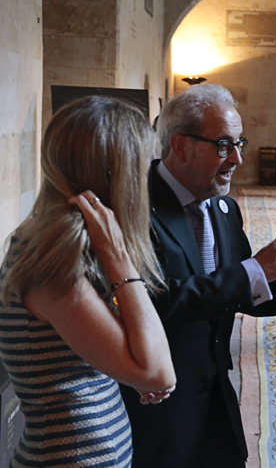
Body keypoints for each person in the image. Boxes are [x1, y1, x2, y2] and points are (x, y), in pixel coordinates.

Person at [120, 84, 276, 468]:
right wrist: (256, 269)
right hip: (156, 406)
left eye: (240, 143)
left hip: (217, 402)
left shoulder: (224, 209)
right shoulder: (134, 206)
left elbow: (243, 294)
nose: (238, 158)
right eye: (224, 145)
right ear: (181, 145)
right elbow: (151, 302)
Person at [0, 96, 176, 467]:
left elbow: (136, 359)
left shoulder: (64, 248)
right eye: (144, 165)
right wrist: (118, 256)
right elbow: (158, 373)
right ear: (118, 174)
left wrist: (128, 367)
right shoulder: (53, 262)